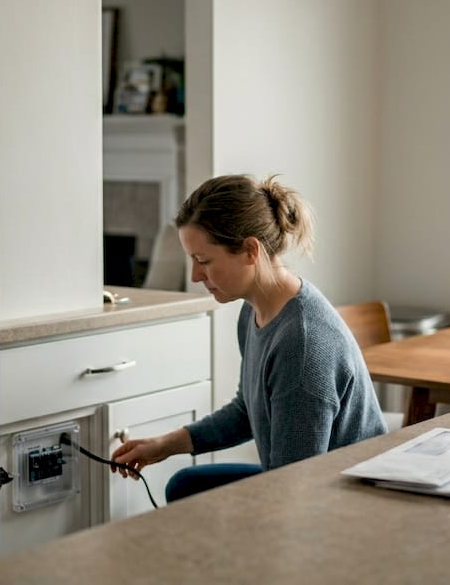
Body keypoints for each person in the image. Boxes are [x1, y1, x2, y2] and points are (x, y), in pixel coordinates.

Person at [110, 174, 386, 502]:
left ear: (250, 251)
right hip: (296, 481)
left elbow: (293, 490)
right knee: (185, 486)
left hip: (339, 502)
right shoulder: (254, 310)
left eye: (203, 261)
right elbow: (247, 411)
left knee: (191, 500)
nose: (195, 276)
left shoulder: (302, 343)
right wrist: (164, 445)